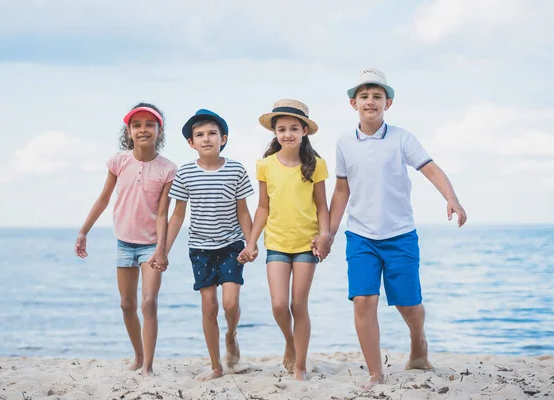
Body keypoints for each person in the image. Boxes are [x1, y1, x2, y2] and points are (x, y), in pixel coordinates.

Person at [325, 68, 467, 389]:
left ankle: (418, 341)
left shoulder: (402, 137)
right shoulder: (345, 142)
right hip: (360, 236)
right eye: (364, 96)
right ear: (353, 104)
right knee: (363, 300)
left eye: (377, 96)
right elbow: (342, 190)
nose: (370, 102)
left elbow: (430, 169)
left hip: (400, 235)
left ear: (387, 103)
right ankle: (376, 372)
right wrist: (329, 232)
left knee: (408, 303)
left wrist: (452, 199)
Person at [74, 103, 177, 377]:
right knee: (127, 305)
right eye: (137, 125)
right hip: (123, 242)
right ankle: (138, 354)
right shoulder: (118, 162)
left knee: (149, 303)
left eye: (149, 124)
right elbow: (104, 198)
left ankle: (148, 366)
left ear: (159, 129)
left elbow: (163, 213)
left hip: (151, 246)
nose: (143, 129)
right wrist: (84, 230)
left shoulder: (168, 169)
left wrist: (161, 249)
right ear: (129, 131)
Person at [239, 99, 330, 381]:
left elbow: (322, 206)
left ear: (304, 131)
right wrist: (252, 242)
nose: (287, 134)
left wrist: (325, 234)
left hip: (307, 244)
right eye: (282, 129)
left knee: (298, 305)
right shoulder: (265, 165)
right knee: (279, 305)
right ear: (275, 133)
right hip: (276, 242)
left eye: (293, 128)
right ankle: (291, 343)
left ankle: (300, 366)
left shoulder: (316, 165)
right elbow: (263, 207)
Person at [164, 109, 254, 381]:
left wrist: (251, 243)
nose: (206, 139)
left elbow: (243, 211)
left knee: (229, 303)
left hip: (231, 245)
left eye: (212, 133)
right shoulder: (186, 172)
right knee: (209, 307)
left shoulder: (236, 169)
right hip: (200, 248)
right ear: (191, 143)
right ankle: (216, 365)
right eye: (199, 135)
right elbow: (178, 215)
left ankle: (231, 334)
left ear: (223, 138)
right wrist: (163, 250)